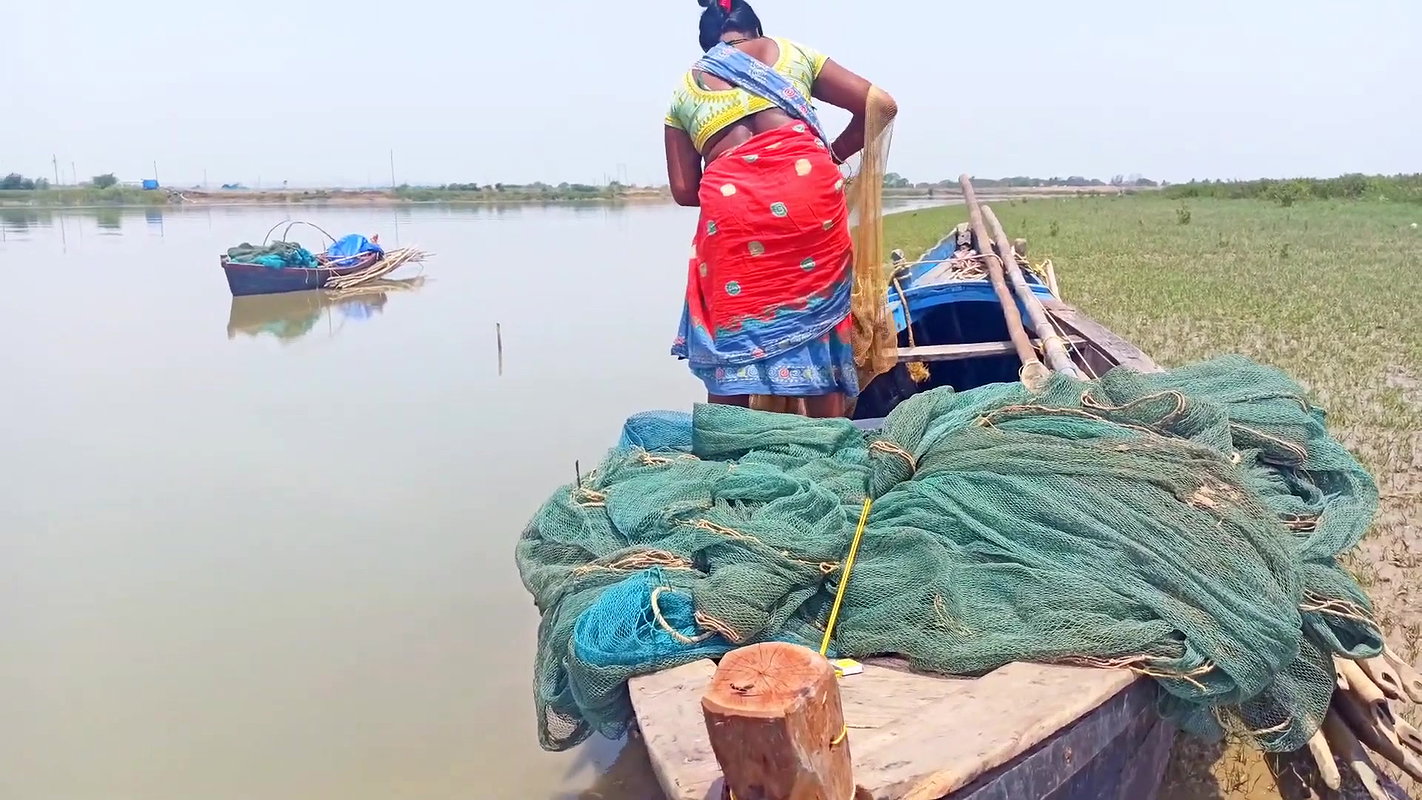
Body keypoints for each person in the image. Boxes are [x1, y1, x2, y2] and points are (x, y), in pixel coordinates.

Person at [665, 0, 894, 418]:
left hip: (734, 213)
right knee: (820, 327)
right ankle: (829, 443)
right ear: (756, 32)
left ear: (708, 47)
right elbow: (882, 105)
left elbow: (683, 190)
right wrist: (830, 156)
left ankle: (725, 442)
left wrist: (740, 184)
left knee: (731, 338)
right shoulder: (795, 55)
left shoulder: (686, 88)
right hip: (810, 201)